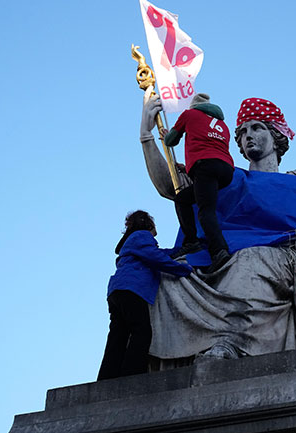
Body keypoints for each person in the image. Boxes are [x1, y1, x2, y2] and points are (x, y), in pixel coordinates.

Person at [97, 210, 193, 380]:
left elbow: (157, 253)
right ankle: (131, 375)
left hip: (117, 290)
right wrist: (183, 269)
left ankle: (107, 377)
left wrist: (178, 251)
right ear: (148, 225)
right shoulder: (141, 235)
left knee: (118, 336)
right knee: (141, 332)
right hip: (132, 290)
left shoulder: (132, 242)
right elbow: (155, 257)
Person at [163, 93, 235, 272]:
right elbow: (210, 146)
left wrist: (166, 134)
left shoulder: (189, 114)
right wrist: (187, 167)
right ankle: (191, 240)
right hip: (226, 170)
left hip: (205, 166)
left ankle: (218, 251)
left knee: (205, 212)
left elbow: (171, 141)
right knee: (183, 199)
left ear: (194, 106)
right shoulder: (222, 125)